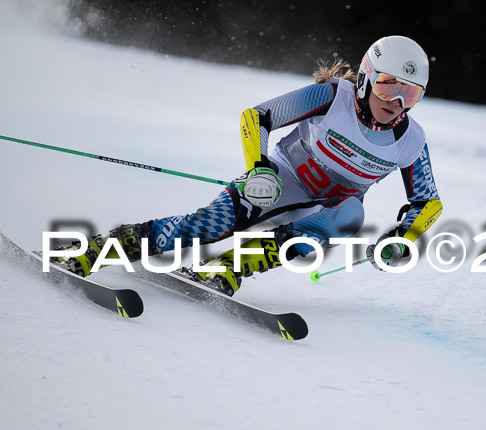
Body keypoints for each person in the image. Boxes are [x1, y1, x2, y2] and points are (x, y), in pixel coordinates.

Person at [61, 35, 442, 295]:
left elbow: (428, 202)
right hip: (278, 181)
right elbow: (257, 117)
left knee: (350, 215)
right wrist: (258, 168)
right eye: (388, 85)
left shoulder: (411, 140)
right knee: (210, 226)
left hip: (324, 209)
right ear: (364, 79)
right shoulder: (331, 97)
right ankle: (106, 246)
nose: (396, 101)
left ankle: (228, 268)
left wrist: (402, 239)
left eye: (410, 93)